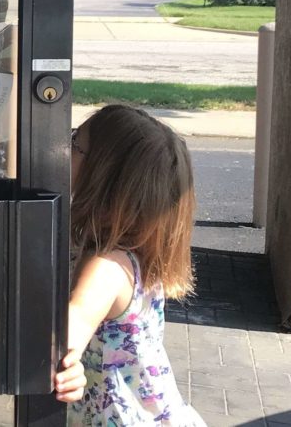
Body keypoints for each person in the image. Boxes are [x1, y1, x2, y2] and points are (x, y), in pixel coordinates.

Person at [54, 104, 204, 426]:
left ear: (102, 177)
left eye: (75, 143)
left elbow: (71, 325)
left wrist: (64, 362)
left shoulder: (107, 267)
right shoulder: (136, 254)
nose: (65, 149)